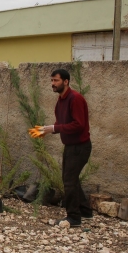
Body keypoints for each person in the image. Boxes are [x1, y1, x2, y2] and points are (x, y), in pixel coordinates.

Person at [36, 68, 92, 227]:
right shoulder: (61, 100)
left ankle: (73, 218)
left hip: (80, 147)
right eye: (52, 80)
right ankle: (85, 211)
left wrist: (54, 128)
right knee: (70, 179)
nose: (53, 84)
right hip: (70, 146)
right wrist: (47, 129)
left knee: (69, 181)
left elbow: (78, 125)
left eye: (56, 80)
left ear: (66, 82)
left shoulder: (75, 99)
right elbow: (62, 123)